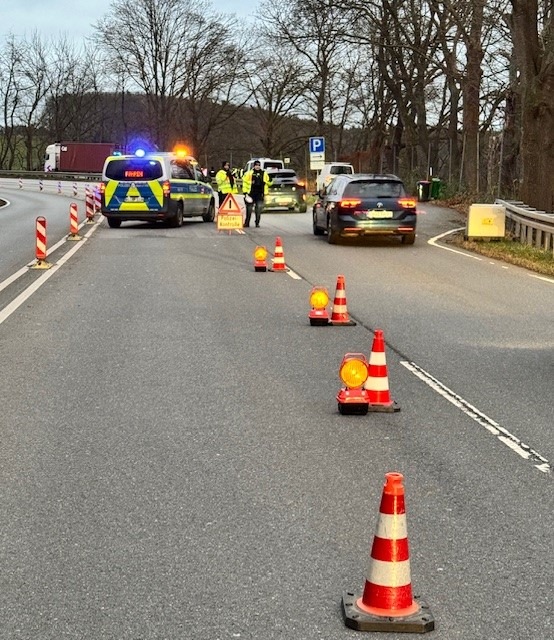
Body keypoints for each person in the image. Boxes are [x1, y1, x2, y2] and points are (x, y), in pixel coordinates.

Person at [241, 160, 272, 227]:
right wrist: (245, 192)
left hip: (260, 194)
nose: (257, 167)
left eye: (258, 165)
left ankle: (257, 223)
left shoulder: (264, 173)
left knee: (258, 209)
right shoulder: (249, 173)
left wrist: (270, 181)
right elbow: (245, 183)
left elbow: (269, 182)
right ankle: (247, 223)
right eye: (256, 165)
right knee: (249, 209)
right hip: (250, 194)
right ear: (254, 166)